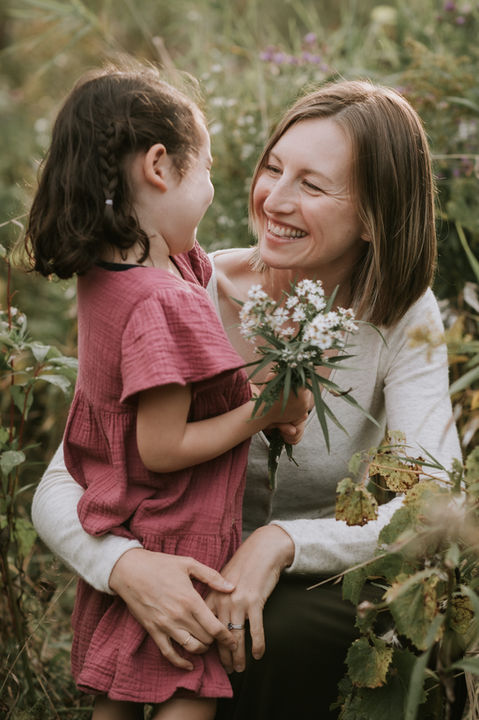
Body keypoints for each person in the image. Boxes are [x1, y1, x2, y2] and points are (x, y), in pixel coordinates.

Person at [32, 79, 463, 719]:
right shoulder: (183, 292)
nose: (273, 199)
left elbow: (434, 502)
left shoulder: (402, 316)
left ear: (375, 215)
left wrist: (283, 542)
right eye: (273, 168)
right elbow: (65, 478)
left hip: (317, 573)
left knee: (263, 639)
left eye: (312, 186)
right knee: (205, 634)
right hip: (179, 567)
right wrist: (125, 567)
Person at [24, 62, 310, 720]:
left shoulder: (111, 273)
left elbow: (205, 269)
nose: (212, 189)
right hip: (176, 545)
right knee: (186, 697)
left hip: (126, 530)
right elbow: (161, 445)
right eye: (205, 169)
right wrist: (261, 411)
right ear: (160, 166)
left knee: (117, 704)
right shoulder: (162, 302)